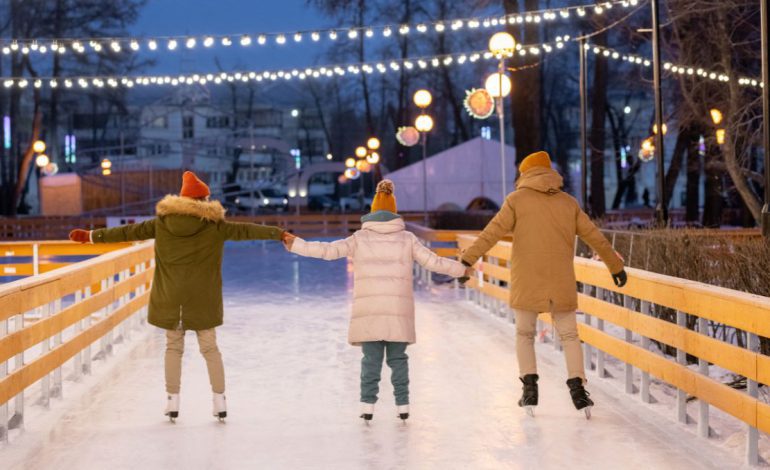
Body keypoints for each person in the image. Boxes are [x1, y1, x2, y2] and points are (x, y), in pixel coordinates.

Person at [68, 171, 285, 423]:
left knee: (173, 348)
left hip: (170, 297)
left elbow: (127, 233)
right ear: (204, 200)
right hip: (203, 298)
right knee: (210, 348)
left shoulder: (161, 223)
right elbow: (247, 230)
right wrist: (277, 233)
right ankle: (220, 400)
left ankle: (172, 402)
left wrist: (91, 236)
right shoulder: (215, 226)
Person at [282, 179, 472, 422]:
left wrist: (296, 244)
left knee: (371, 360)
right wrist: (461, 270)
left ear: (372, 212)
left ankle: (367, 406)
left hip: (369, 310)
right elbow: (434, 262)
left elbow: (328, 251)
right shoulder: (407, 239)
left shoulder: (359, 238)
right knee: (398, 360)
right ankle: (402, 405)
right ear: (394, 212)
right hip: (397, 310)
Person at [460, 151, 626, 418]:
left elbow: (491, 233)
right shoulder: (568, 203)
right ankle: (578, 387)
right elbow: (595, 237)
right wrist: (615, 267)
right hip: (560, 281)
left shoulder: (516, 200)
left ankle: (529, 387)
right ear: (550, 173)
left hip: (527, 280)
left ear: (525, 174)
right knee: (570, 336)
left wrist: (467, 259)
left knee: (525, 334)